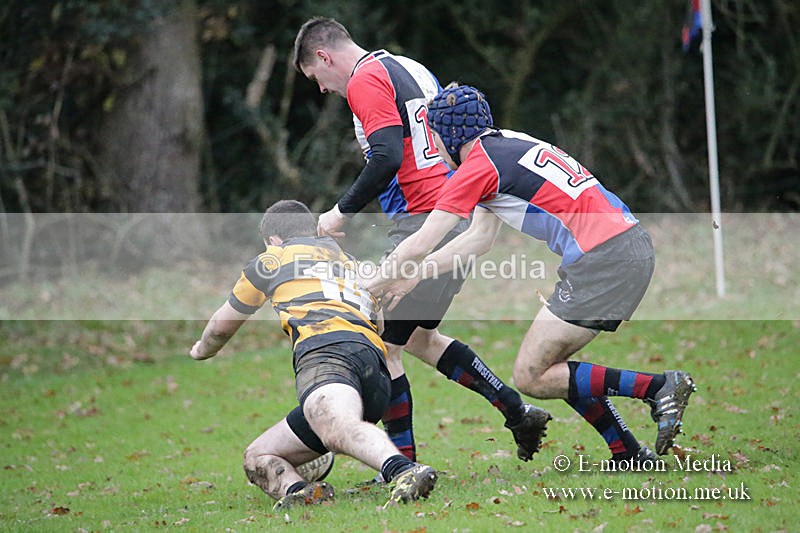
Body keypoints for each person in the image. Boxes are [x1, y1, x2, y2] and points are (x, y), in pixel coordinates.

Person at [366, 84, 696, 463]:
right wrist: (415, 276)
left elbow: (421, 241)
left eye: (436, 138)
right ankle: (626, 451)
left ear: (452, 136)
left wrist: (364, 289)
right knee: (553, 365)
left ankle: (658, 388)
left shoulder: (475, 168)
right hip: (627, 245)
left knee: (531, 375)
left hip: (604, 258)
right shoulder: (506, 145)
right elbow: (478, 239)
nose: (436, 149)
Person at [292, 17, 551, 466]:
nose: (321, 89)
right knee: (418, 340)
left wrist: (341, 210)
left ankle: (402, 464)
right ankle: (518, 412)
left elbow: (389, 156)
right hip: (453, 215)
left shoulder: (364, 80)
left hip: (425, 224)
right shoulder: (407, 66)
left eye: (316, 78)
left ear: (324, 56)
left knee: (385, 343)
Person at [189, 200, 437, 509]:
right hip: (374, 373)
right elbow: (379, 322)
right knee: (259, 457)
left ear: (273, 240)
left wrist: (200, 350)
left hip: (326, 355)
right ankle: (301, 492)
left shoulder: (271, 261)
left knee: (338, 427)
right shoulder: (349, 261)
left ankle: (404, 471)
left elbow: (220, 329)